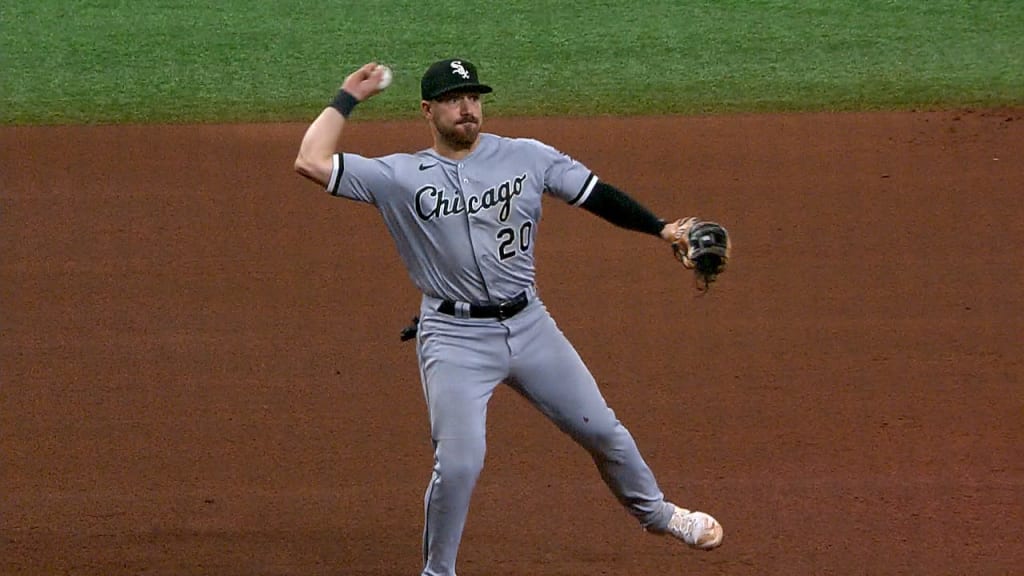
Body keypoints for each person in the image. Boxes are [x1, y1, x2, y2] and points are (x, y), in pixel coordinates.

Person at [294, 58, 723, 576]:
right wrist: (348, 96)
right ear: (429, 110)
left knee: (604, 432)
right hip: (454, 338)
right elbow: (311, 161)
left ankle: (658, 515)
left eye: (473, 96)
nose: (467, 107)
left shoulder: (527, 156)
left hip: (530, 326)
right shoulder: (399, 176)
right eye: (454, 99)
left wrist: (660, 229)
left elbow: (595, 194)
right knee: (458, 464)